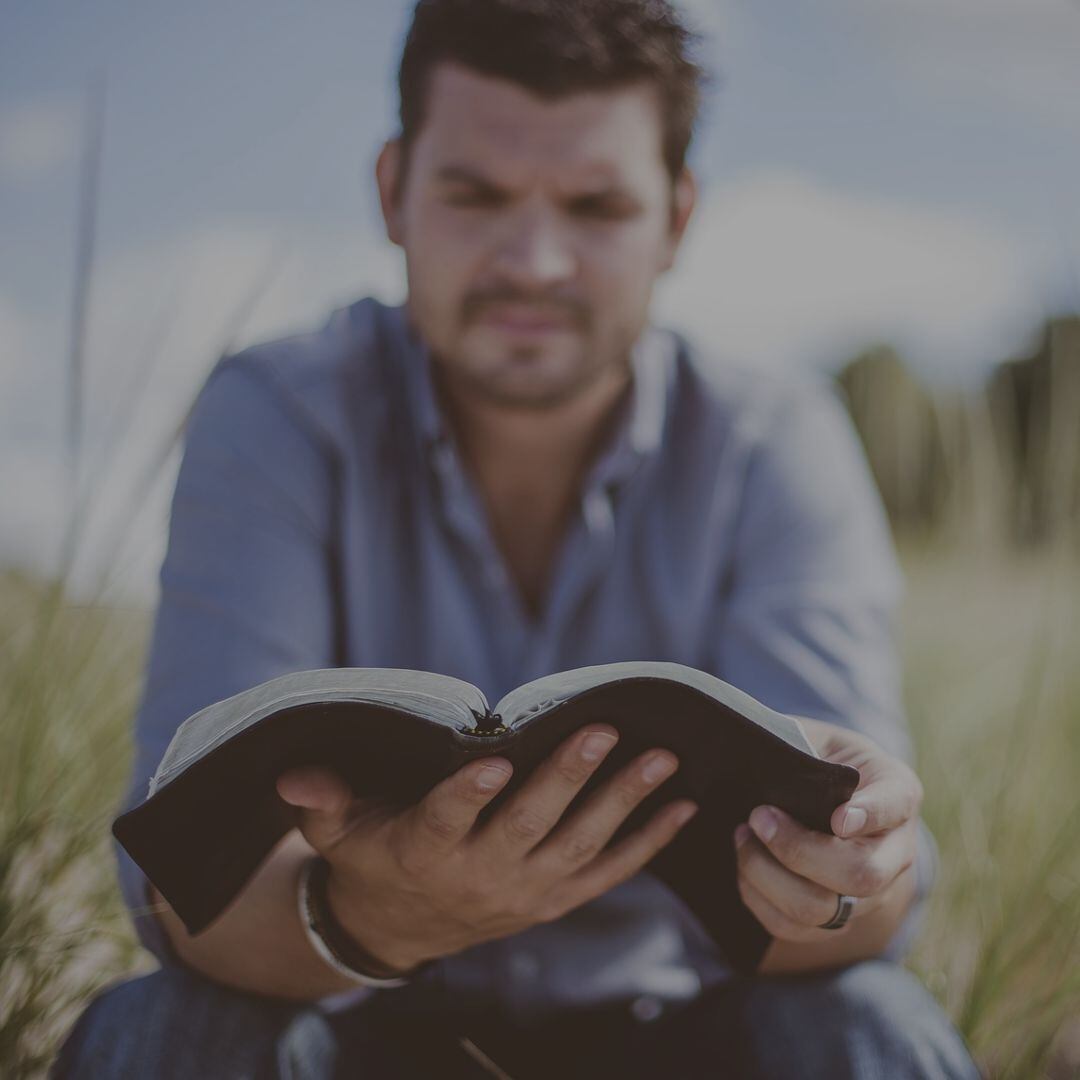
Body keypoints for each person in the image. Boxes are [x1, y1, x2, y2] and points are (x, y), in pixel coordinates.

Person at [54, 0, 981, 1076]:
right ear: (393, 191)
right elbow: (184, 903)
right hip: (346, 1026)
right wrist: (381, 920)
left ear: (676, 219)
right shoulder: (278, 413)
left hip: (672, 1033)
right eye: (476, 194)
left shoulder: (776, 442)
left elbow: (872, 918)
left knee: (867, 1023)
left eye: (594, 206)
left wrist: (850, 865)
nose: (536, 261)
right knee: (164, 1029)